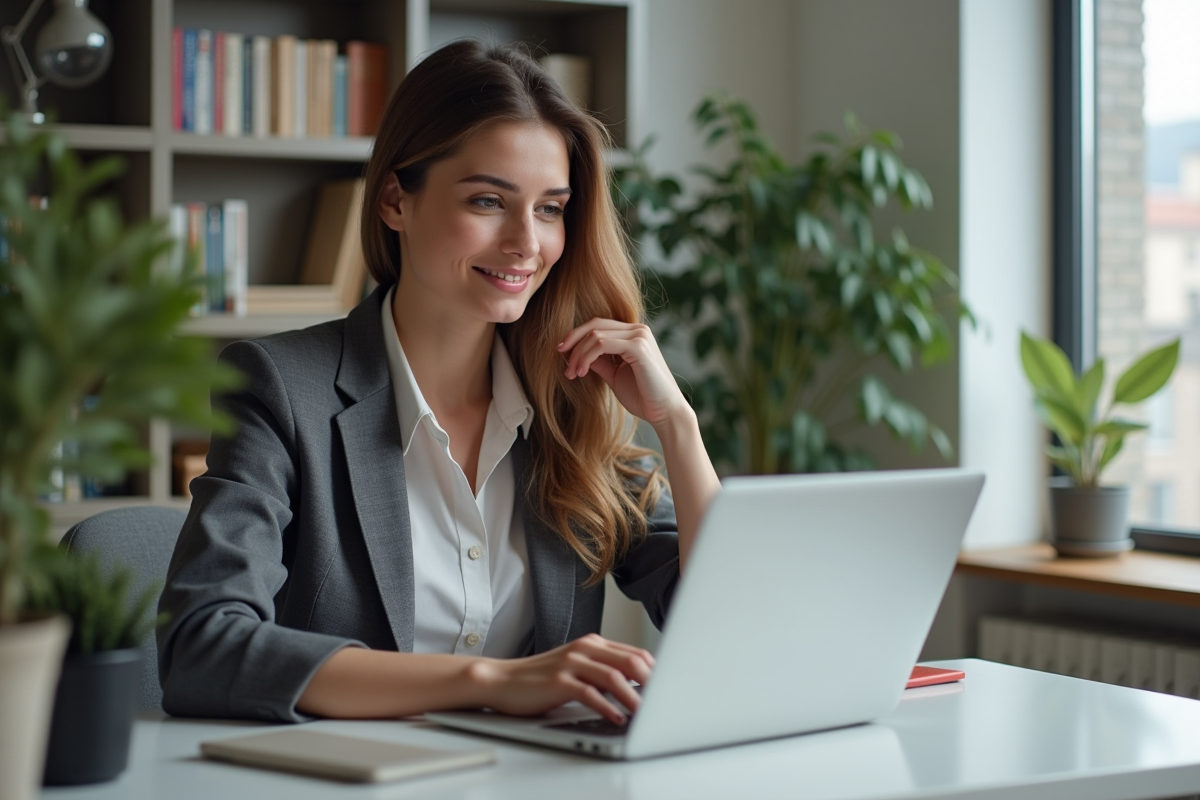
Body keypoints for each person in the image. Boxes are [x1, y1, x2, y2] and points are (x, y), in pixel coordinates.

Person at [157, 40, 721, 726]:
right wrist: (492, 679)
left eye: (550, 208)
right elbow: (203, 646)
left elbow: (727, 621)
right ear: (396, 200)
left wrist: (678, 425)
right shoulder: (282, 388)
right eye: (489, 200)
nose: (526, 242)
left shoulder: (566, 401)